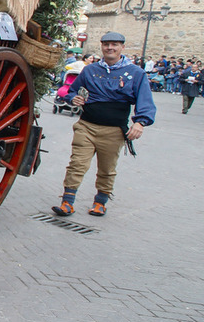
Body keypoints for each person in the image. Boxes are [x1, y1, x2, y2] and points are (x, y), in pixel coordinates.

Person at [52, 32, 156, 218]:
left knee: (107, 169)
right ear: (101, 46)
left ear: (122, 47)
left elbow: (145, 100)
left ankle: (100, 202)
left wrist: (140, 122)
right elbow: (71, 89)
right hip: (86, 126)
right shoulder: (90, 70)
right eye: (106, 44)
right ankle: (67, 202)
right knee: (77, 164)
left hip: (114, 130)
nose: (110, 48)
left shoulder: (136, 73)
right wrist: (72, 97)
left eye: (114, 44)